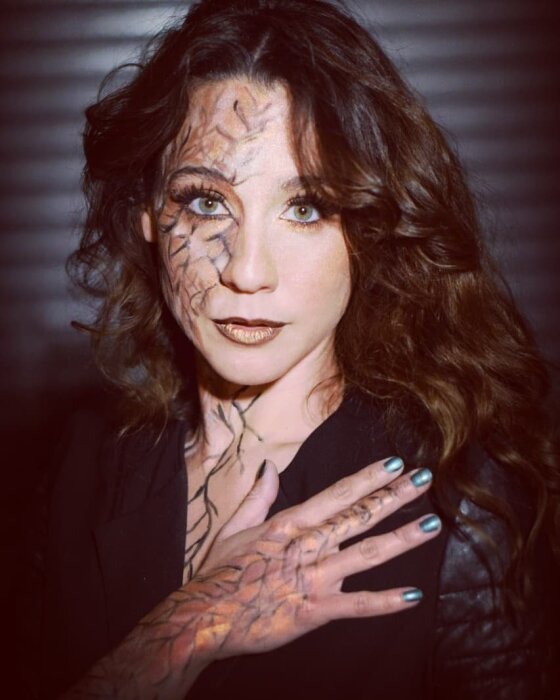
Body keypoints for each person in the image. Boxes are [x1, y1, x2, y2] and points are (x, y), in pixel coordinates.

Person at [19, 0, 559, 698]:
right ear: (149, 214)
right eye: (206, 201)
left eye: (305, 208)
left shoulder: (462, 502)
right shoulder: (77, 469)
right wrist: (181, 633)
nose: (248, 272)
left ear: (366, 230)